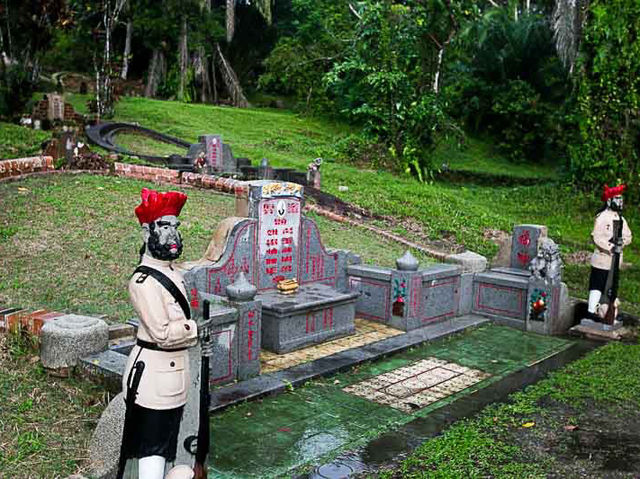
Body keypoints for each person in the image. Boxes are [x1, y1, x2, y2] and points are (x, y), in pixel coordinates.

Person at [120, 188, 198, 479]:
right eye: (164, 226)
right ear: (146, 231)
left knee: (166, 443)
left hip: (174, 374)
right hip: (154, 378)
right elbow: (163, 332)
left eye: (174, 226)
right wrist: (196, 328)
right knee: (152, 447)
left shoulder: (172, 271)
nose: (172, 234)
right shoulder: (143, 282)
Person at [587, 184, 632, 320]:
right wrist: (610, 247)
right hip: (602, 259)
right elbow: (596, 236)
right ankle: (591, 311)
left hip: (615, 262)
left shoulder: (620, 219)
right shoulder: (602, 217)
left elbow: (628, 236)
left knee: (612, 286)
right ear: (609, 201)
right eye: (617, 199)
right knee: (597, 285)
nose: (620, 202)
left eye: (621, 199)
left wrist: (622, 242)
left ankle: (608, 311)